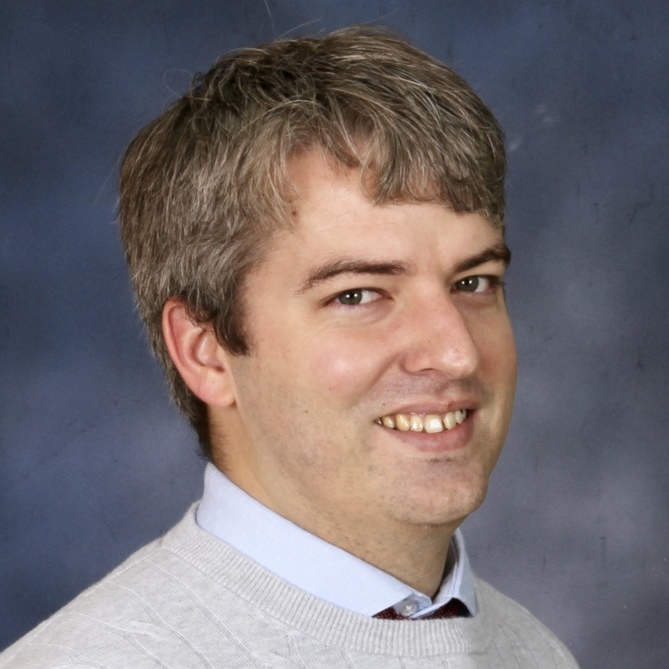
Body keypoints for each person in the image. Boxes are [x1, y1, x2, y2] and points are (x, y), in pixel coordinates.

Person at [0, 26, 579, 668]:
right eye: (357, 295)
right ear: (205, 351)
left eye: (473, 282)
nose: (456, 353)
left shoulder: (534, 653)